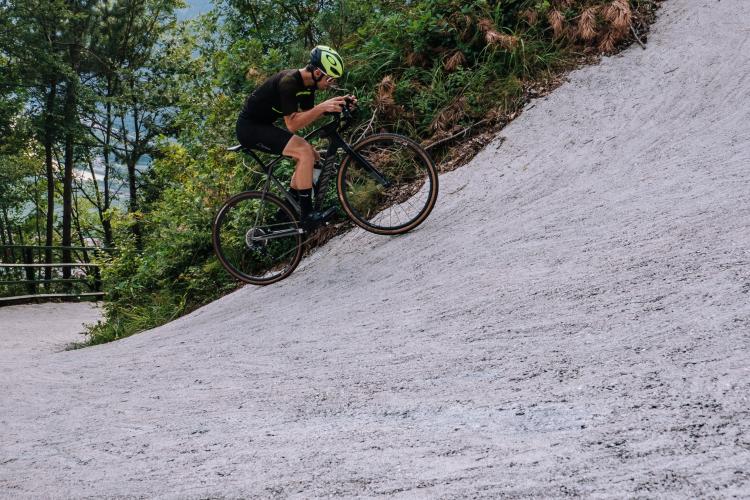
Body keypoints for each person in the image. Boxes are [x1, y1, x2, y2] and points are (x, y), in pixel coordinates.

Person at [236, 45, 356, 230]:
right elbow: (292, 124)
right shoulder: (289, 82)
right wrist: (322, 107)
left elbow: (308, 115)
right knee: (304, 152)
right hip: (249, 129)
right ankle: (307, 216)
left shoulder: (309, 87)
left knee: (313, 156)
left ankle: (287, 211)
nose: (331, 83)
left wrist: (337, 104)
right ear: (317, 72)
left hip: (264, 125)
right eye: (330, 78)